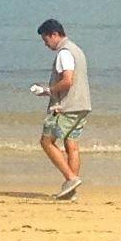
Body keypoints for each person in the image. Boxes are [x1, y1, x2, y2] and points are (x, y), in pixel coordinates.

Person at [32, 19, 90, 200]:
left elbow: (67, 81)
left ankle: (71, 179)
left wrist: (47, 90)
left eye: (46, 40)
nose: (45, 44)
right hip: (82, 105)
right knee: (71, 145)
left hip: (66, 107)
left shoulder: (64, 53)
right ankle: (71, 191)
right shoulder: (77, 50)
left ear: (54, 34)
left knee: (46, 142)